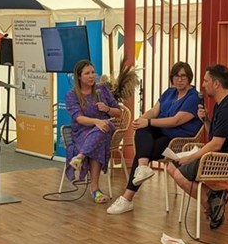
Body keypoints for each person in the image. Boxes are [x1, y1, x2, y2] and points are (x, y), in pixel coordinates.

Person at [107, 61, 203, 215]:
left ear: (189, 78)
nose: (179, 80)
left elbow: (176, 121)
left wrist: (148, 122)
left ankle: (128, 197)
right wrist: (141, 120)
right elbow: (154, 110)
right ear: (172, 78)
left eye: (183, 76)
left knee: (141, 153)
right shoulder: (169, 92)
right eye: (176, 76)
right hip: (162, 132)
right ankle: (143, 169)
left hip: (177, 140)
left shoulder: (193, 97)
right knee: (143, 128)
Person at [167, 64, 228, 229]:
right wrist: (206, 120)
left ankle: (212, 205)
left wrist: (190, 157)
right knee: (171, 167)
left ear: (216, 84)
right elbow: (215, 136)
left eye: (206, 81)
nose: (203, 85)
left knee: (178, 175)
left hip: (225, 160)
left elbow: (216, 144)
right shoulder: (222, 104)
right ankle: (214, 198)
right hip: (217, 155)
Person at [65, 60, 121, 204]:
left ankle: (80, 156)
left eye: (92, 72)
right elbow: (79, 118)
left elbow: (118, 112)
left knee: (103, 129)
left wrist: (107, 109)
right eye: (87, 73)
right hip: (82, 131)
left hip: (106, 127)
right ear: (79, 77)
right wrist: (96, 121)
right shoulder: (72, 95)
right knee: (99, 139)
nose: (91, 76)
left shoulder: (102, 90)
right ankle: (95, 189)